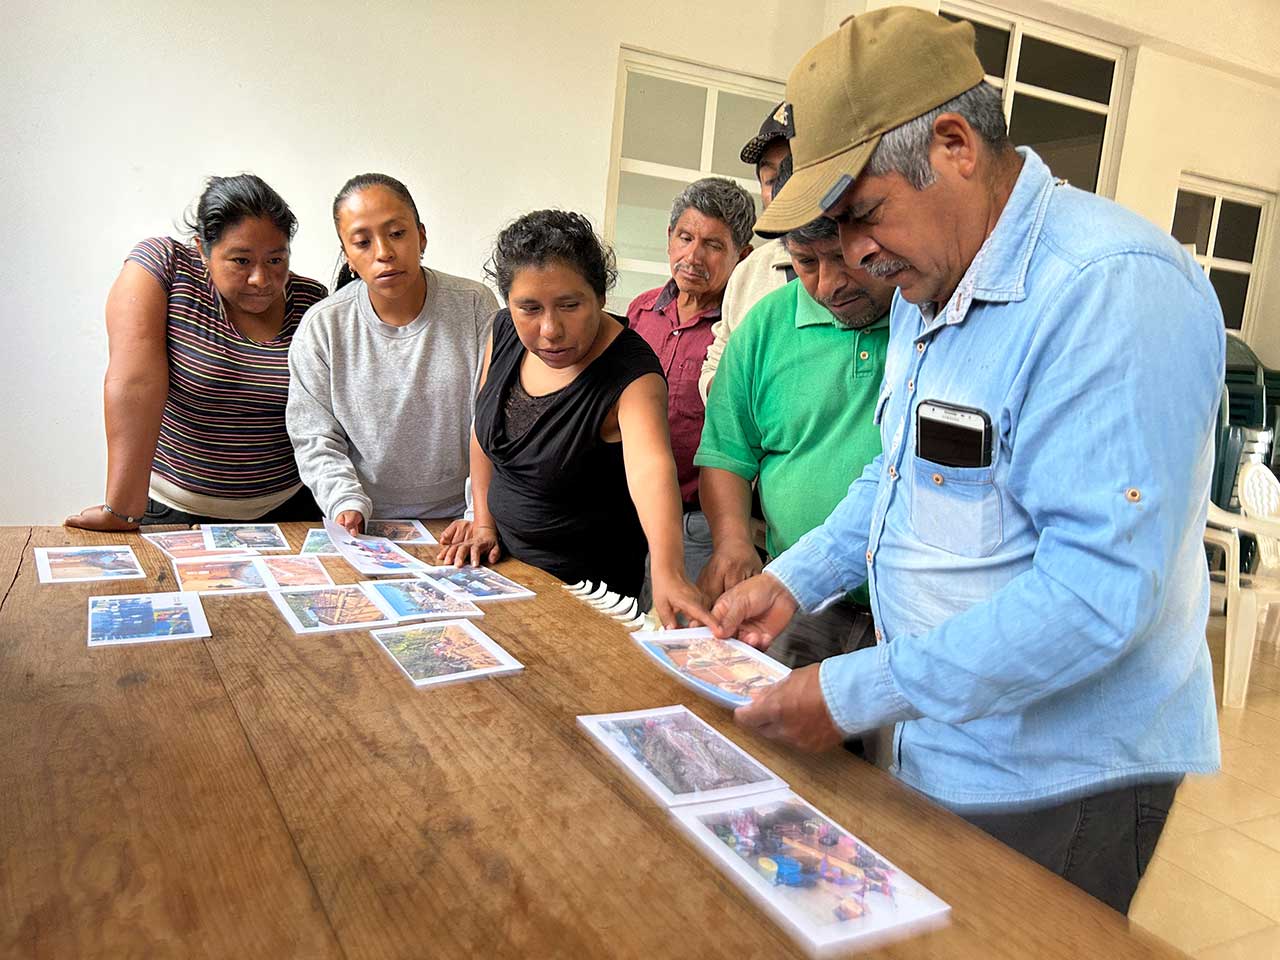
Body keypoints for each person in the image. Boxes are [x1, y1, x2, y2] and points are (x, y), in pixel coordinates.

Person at [712, 7, 1224, 914]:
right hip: (941, 736)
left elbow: (1096, 595)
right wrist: (792, 579)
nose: (856, 258)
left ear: (953, 145)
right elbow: (898, 476)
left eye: (864, 214)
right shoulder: (928, 279)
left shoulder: (1109, 291)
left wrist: (854, 690)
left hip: (1054, 772)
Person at [438, 210, 708, 628]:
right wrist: (483, 521)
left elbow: (651, 471)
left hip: (582, 599)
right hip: (499, 574)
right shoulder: (505, 330)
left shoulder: (631, 374)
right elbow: (483, 431)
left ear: (600, 297)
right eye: (528, 307)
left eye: (569, 305)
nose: (549, 329)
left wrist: (669, 572)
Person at [65, 175, 328, 531]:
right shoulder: (164, 267)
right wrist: (122, 508)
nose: (260, 279)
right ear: (202, 250)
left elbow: (330, 417)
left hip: (292, 512)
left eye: (276, 259)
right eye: (240, 261)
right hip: (176, 512)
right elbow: (134, 381)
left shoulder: (312, 301)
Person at [695, 206, 895, 671]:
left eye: (844, 258)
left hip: (905, 615)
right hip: (794, 599)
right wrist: (732, 540)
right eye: (806, 262)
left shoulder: (927, 320)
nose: (828, 285)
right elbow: (727, 450)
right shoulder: (766, 325)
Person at [287, 173, 497, 533]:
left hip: (463, 518)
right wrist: (344, 501)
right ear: (347, 256)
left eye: (397, 233)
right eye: (362, 242)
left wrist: (478, 514)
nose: (383, 252)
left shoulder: (475, 305)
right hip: (364, 521)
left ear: (422, 236)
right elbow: (314, 435)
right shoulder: (324, 326)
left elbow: (494, 421)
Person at [627, 178, 756, 586]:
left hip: (697, 527)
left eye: (714, 246)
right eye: (685, 237)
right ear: (669, 238)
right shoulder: (640, 313)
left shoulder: (742, 333)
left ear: (744, 256)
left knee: (678, 637)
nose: (693, 256)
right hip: (623, 512)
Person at [699, 102, 795, 403]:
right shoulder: (750, 271)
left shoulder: (869, 264)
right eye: (770, 179)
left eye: (795, 170)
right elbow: (716, 361)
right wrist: (732, 396)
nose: (781, 188)